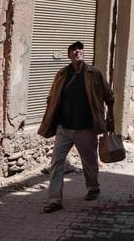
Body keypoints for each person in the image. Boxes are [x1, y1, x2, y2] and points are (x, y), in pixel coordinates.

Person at [37, 40, 115, 211]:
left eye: (80, 49)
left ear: (84, 53)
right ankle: (54, 200)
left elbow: (109, 97)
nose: (77, 52)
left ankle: (93, 188)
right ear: (69, 55)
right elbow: (52, 97)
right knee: (57, 161)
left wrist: (111, 119)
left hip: (86, 128)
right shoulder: (62, 74)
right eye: (74, 50)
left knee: (89, 161)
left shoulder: (94, 73)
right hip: (64, 127)